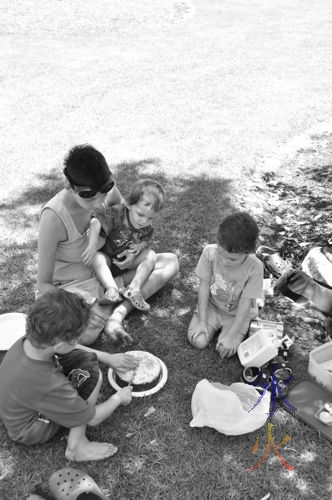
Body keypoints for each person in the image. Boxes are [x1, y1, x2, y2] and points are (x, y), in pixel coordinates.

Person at [37, 144, 179, 345]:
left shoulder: (109, 191)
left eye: (103, 192)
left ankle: (117, 314)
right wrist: (79, 301)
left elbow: (126, 224)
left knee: (170, 261)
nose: (99, 202)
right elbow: (43, 284)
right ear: (70, 186)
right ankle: (105, 308)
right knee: (83, 336)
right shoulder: (53, 218)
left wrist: (132, 251)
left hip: (109, 273)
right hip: (74, 288)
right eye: (89, 196)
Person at [0, 289, 138, 462]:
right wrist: (118, 398)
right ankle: (77, 447)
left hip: (22, 400)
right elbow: (93, 418)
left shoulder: (31, 341)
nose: (78, 341)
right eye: (77, 338)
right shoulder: (50, 383)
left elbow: (72, 349)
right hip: (31, 427)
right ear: (58, 345)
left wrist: (108, 358)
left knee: (85, 360)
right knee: (93, 377)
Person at [81, 179, 166, 313]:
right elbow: (96, 221)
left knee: (150, 255)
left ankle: (134, 289)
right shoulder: (117, 214)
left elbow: (146, 237)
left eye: (150, 218)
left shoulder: (145, 226)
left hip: (125, 264)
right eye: (140, 214)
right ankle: (112, 290)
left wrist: (138, 247)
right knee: (97, 257)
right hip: (108, 261)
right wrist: (92, 245)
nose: (144, 221)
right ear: (128, 204)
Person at [188, 212, 264, 359]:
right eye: (221, 253)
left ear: (247, 252)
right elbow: (203, 288)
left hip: (237, 315)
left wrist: (231, 335)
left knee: (225, 349)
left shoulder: (255, 267)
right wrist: (202, 322)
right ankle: (207, 323)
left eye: (231, 258)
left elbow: (244, 304)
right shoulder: (210, 252)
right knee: (198, 341)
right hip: (212, 306)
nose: (224, 261)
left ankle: (232, 331)